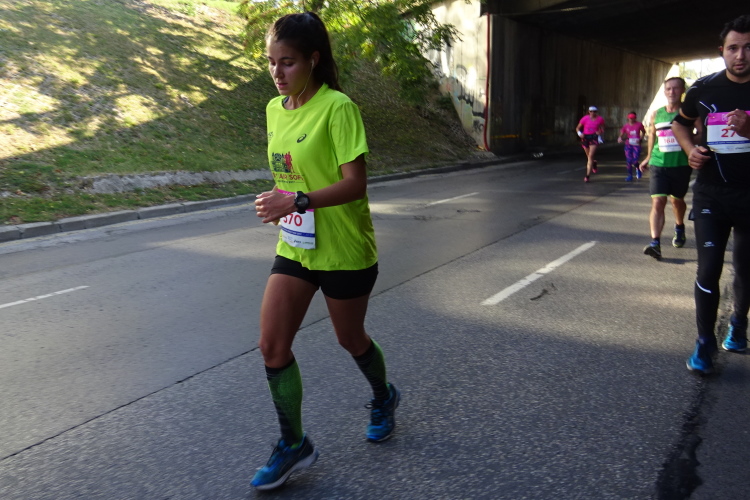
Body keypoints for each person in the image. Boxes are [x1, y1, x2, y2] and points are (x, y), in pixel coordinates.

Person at [250, 12, 400, 490]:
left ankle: (383, 396)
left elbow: (355, 184)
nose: (277, 73)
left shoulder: (338, 108)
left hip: (344, 248)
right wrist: (280, 201)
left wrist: (295, 200)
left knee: (350, 339)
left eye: (288, 62)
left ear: (313, 60)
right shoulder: (275, 110)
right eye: (271, 62)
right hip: (297, 246)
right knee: (272, 345)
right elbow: (292, 173)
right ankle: (293, 443)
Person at [672, 14, 750, 374]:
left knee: (745, 269)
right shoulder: (703, 88)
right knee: (708, 269)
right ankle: (704, 342)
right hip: (711, 194)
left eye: (748, 48)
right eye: (733, 48)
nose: (741, 55)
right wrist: (690, 149)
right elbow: (679, 123)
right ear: (722, 51)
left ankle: (738, 324)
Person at [638, 77, 691, 260]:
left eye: (676, 88)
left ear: (682, 90)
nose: (672, 92)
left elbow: (700, 133)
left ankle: (679, 226)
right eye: (668, 89)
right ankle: (655, 243)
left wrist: (689, 144)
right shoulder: (657, 113)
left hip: (680, 164)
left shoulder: (688, 112)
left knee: (677, 201)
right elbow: (652, 135)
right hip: (658, 164)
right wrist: (648, 157)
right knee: (658, 201)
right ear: (664, 91)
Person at [576, 106, 605, 182]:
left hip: (594, 137)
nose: (592, 113)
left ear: (596, 112)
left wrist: (600, 131)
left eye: (594, 111)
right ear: (588, 112)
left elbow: (603, 128)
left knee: (590, 155)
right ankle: (594, 162)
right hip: (585, 137)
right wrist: (580, 134)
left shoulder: (600, 119)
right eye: (591, 111)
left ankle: (587, 176)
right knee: (589, 156)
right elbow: (578, 128)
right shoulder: (585, 118)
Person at [617, 112, 646, 181]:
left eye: (633, 118)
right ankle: (630, 175)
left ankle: (638, 168)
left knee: (635, 161)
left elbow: (643, 131)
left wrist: (641, 138)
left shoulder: (639, 124)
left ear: (635, 118)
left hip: (636, 145)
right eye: (630, 118)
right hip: (628, 145)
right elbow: (621, 133)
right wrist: (620, 138)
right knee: (629, 161)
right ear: (628, 118)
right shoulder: (626, 126)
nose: (631, 120)